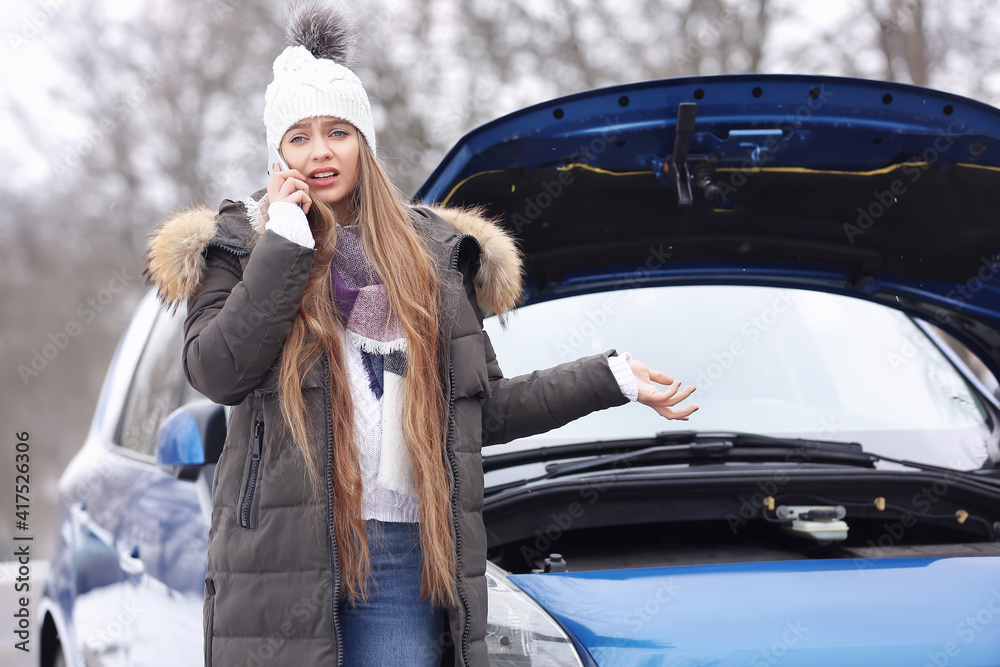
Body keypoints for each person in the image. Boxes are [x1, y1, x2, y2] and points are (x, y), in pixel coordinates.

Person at [144, 3, 698, 666]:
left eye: (337, 131)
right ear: (278, 154)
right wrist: (287, 242)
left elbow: (481, 409)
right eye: (298, 137)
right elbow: (219, 370)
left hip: (401, 556)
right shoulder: (239, 248)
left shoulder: (433, 257)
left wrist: (609, 378)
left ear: (364, 142)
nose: (319, 151)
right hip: (276, 561)